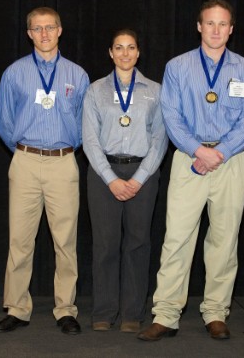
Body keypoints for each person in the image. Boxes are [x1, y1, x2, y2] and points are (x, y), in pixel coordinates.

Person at [138, 0, 244, 341]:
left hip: (230, 160)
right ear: (199, 27)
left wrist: (219, 152)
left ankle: (216, 312)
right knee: (177, 237)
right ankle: (166, 314)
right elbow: (171, 115)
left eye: (222, 24)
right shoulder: (178, 67)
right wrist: (198, 150)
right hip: (188, 159)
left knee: (224, 239)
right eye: (210, 23)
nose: (216, 30)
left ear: (231, 29)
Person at [0, 7, 89, 335]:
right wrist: (25, 150)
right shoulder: (15, 73)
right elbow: (2, 119)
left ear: (60, 30)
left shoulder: (77, 75)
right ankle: (17, 308)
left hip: (63, 162)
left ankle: (66, 309)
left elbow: (85, 123)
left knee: (65, 240)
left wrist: (65, 147)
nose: (44, 34)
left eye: (50, 27)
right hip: (26, 162)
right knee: (20, 240)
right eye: (37, 28)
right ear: (29, 33)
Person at [82, 29, 168, 333]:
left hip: (142, 173)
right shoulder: (95, 90)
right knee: (105, 244)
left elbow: (160, 138)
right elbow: (90, 139)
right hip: (103, 174)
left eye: (131, 47)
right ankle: (104, 311)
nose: (125, 53)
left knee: (138, 243)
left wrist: (140, 177)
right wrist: (110, 179)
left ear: (138, 52)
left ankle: (132, 313)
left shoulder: (155, 91)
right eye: (119, 47)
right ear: (110, 53)